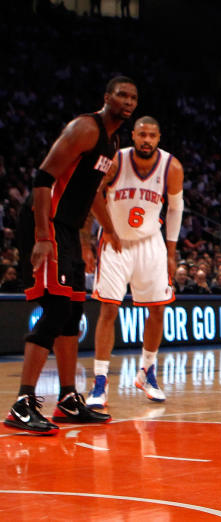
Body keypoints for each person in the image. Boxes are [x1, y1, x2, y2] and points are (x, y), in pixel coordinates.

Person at [4, 75, 133, 434]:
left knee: (73, 311)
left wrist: (103, 232)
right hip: (45, 221)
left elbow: (91, 192)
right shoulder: (85, 128)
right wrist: (44, 237)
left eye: (133, 97)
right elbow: (43, 178)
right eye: (121, 94)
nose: (127, 100)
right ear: (107, 97)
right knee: (57, 307)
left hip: (69, 229)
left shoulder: (112, 143)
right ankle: (22, 402)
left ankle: (66, 398)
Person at [87, 116, 184, 408]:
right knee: (108, 309)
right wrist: (107, 230)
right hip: (116, 243)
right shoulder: (115, 160)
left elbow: (175, 210)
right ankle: (100, 383)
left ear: (159, 138)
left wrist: (170, 252)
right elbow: (92, 192)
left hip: (151, 242)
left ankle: (147, 371)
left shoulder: (172, 166)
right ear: (133, 136)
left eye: (152, 135)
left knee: (157, 310)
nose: (146, 140)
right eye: (142, 134)